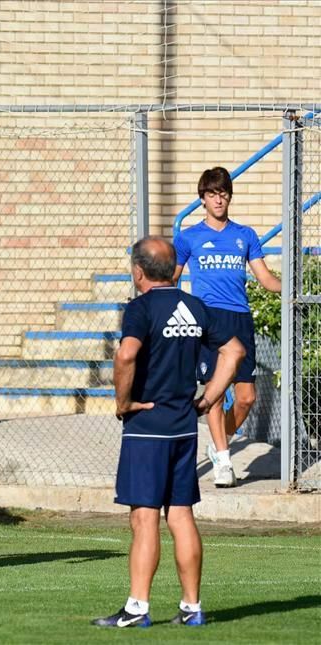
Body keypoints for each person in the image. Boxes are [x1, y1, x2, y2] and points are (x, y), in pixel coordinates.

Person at [93, 236, 245, 628]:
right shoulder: (195, 307)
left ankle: (137, 609)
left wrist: (123, 403)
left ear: (138, 271)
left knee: (144, 518)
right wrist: (209, 398)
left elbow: (125, 354)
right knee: (181, 515)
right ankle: (192, 608)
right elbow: (234, 351)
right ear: (172, 269)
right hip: (183, 429)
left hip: (147, 428)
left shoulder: (140, 308)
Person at [172, 167, 281, 487]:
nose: (218, 199)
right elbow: (172, 279)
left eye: (222, 193)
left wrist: (292, 289)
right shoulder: (188, 237)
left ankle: (221, 441)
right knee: (215, 394)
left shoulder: (245, 235)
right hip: (208, 320)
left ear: (229, 196)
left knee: (246, 397)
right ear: (202, 199)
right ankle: (223, 461)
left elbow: (265, 278)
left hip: (240, 318)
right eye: (211, 194)